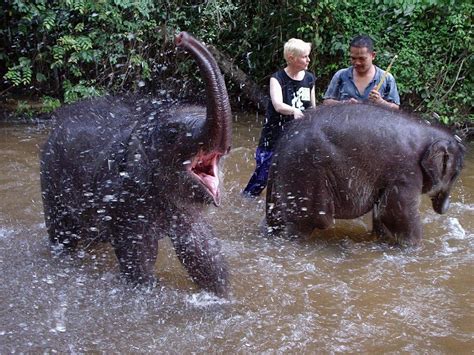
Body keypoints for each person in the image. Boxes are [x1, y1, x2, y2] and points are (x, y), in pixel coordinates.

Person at [243, 38, 316, 197]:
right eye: (304, 56)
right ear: (291, 58)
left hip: (298, 137)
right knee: (262, 177)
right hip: (274, 136)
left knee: (294, 177)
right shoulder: (277, 79)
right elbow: (278, 105)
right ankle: (247, 199)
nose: (308, 60)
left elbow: (312, 108)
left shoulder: (309, 79)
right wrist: (294, 111)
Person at [323, 35, 400, 109]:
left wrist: (381, 102)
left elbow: (395, 107)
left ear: (373, 56)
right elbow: (326, 102)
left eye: (362, 59)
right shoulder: (341, 75)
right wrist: (344, 104)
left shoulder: (386, 78)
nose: (357, 63)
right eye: (353, 58)